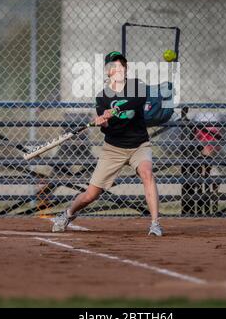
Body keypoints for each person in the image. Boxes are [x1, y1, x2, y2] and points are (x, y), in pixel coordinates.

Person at [52, 51, 163, 236]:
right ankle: (68, 213)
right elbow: (108, 130)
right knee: (91, 194)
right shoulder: (102, 98)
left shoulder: (137, 86)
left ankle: (155, 224)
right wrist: (103, 123)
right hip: (113, 149)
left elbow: (137, 102)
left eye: (121, 66)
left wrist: (116, 108)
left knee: (147, 173)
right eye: (113, 67)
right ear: (108, 72)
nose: (118, 69)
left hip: (139, 145)